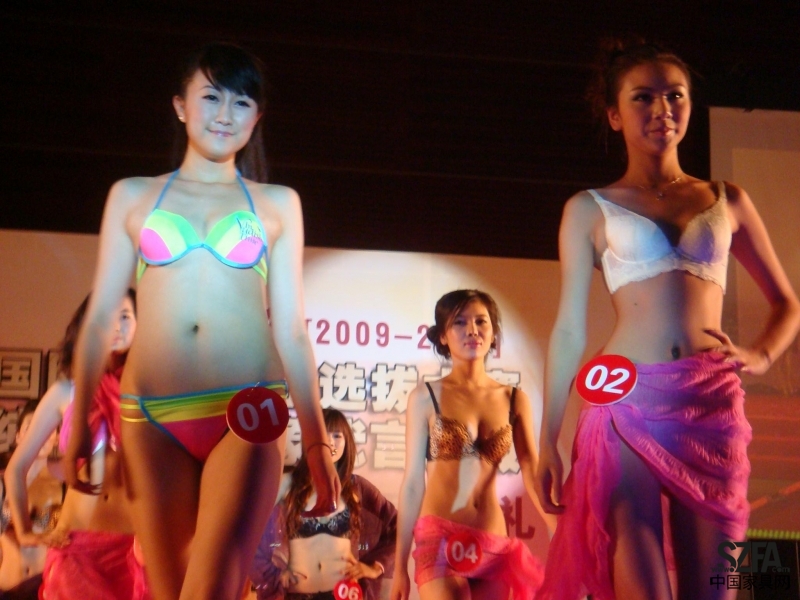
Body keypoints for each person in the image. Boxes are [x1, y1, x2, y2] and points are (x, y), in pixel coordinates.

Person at [64, 42, 339, 600]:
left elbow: (291, 329)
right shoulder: (133, 195)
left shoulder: (277, 203)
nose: (224, 114)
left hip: (248, 409)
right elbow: (99, 321)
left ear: (257, 117)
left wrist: (315, 443)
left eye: (242, 102)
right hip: (149, 416)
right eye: (211, 96)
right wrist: (80, 423)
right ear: (180, 105)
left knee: (210, 589)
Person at [534, 38, 800, 600]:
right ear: (614, 114)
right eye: (643, 97)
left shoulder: (727, 199)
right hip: (623, 400)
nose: (663, 109)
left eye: (675, 95)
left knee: (716, 587)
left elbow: (787, 303)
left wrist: (760, 354)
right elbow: (569, 329)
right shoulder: (587, 208)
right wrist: (547, 438)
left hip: (712, 402)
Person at [391, 289, 544, 600]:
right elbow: (413, 484)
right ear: (443, 336)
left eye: (481, 321)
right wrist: (399, 567)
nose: (472, 330)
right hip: (439, 540)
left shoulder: (514, 398)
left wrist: (561, 530)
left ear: (493, 332)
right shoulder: (426, 396)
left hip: (493, 541)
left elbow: (533, 471)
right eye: (459, 322)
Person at [4, 290, 143, 599]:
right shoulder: (67, 392)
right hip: (77, 546)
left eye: (125, 317)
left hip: (138, 547)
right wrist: (25, 531)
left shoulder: (152, 394)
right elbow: (16, 469)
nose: (116, 326)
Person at [251, 408, 397, 600]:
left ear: (347, 442)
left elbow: (397, 526)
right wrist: (273, 574)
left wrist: (375, 567)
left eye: (337, 435)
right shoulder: (289, 483)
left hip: (344, 594)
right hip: (296, 594)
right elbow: (249, 528)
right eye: (323, 434)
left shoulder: (357, 488)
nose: (330, 441)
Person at [0, 402, 61, 593]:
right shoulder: (2, 484)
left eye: (48, 429)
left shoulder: (65, 487)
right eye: (31, 427)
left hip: (45, 587)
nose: (40, 435)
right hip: (6, 586)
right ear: (18, 436)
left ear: (57, 439)